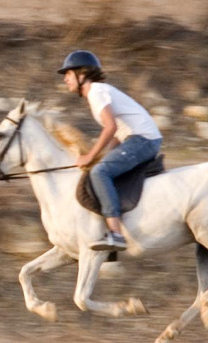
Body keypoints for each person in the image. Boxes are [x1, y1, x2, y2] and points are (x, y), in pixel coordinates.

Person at [58, 50, 162, 252]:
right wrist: (103, 156)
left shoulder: (96, 92)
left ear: (82, 75)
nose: (65, 80)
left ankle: (115, 234)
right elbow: (117, 132)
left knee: (100, 172)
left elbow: (110, 127)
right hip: (138, 139)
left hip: (143, 140)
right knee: (102, 167)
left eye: (68, 74)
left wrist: (90, 157)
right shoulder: (98, 92)